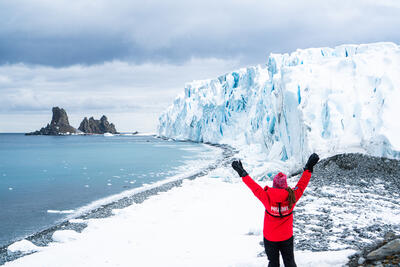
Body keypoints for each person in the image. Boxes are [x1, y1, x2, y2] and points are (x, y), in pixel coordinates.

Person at [231, 153, 320, 267]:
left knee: (273, 263)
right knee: (289, 262)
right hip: (286, 236)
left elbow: (254, 187)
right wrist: (308, 168)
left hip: (270, 237)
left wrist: (242, 173)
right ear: (285, 186)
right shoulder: (292, 197)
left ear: (274, 185)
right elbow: (301, 185)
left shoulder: (266, 197)